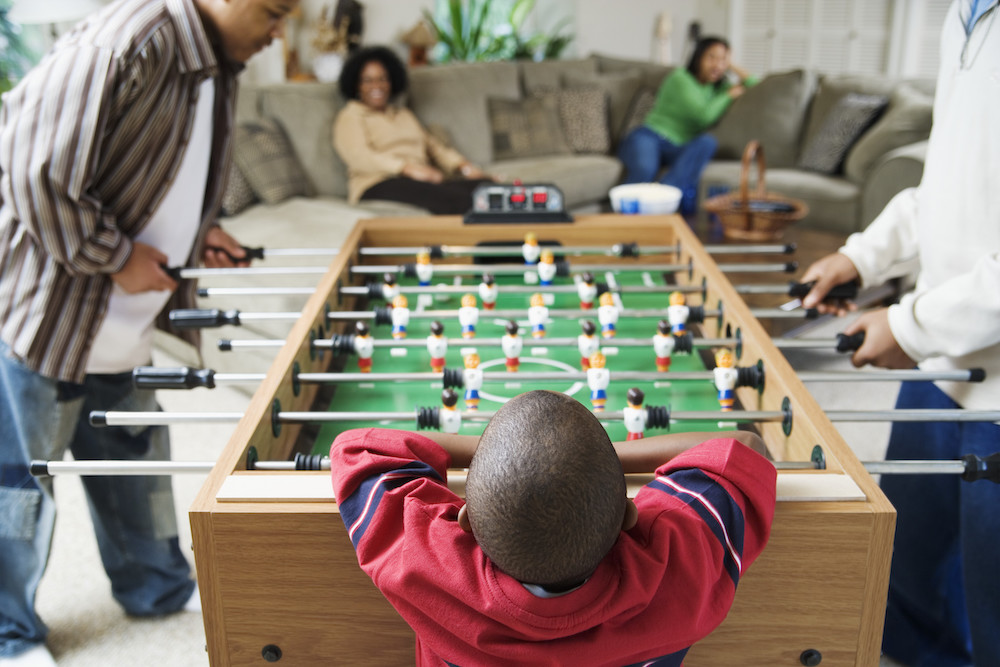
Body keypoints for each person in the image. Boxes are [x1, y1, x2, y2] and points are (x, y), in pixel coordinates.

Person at [0, 0, 299, 664]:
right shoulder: (127, 43)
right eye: (274, 13)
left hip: (125, 326)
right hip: (51, 321)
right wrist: (116, 255)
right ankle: (9, 632)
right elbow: (31, 173)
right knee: (19, 485)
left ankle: (156, 587)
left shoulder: (220, 61)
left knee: (137, 465)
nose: (278, 33)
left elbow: (165, 174)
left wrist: (200, 232)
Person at [799, 3, 1000, 665]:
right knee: (905, 589)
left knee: (989, 612)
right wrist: (864, 256)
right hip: (938, 371)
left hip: (994, 398)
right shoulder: (962, 16)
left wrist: (907, 324)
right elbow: (944, 184)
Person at [331, 389, 775, 665]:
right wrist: (592, 464)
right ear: (627, 515)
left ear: (466, 521)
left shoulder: (423, 563)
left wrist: (495, 460)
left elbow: (357, 448)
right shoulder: (681, 569)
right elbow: (743, 447)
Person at [333, 45, 492, 214]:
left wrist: (465, 167)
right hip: (378, 183)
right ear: (357, 85)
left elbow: (434, 147)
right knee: (459, 201)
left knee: (488, 189)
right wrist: (407, 168)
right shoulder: (351, 116)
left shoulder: (404, 114)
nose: (376, 86)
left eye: (382, 79)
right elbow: (360, 157)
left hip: (419, 182)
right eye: (368, 80)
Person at [617, 36, 755, 204]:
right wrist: (728, 95)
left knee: (707, 142)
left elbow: (756, 84)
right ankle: (618, 216)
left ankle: (664, 197)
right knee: (645, 170)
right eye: (712, 57)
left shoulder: (719, 88)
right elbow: (703, 116)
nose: (717, 65)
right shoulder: (681, 78)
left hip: (680, 147)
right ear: (698, 57)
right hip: (650, 137)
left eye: (723, 60)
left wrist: (730, 65)